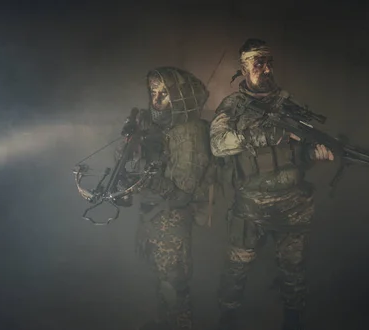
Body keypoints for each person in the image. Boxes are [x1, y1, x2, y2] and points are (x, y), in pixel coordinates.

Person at [209, 38, 334, 330]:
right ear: (243, 68)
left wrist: (313, 153)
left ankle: (293, 321)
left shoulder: (289, 104)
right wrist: (262, 136)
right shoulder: (232, 107)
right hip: (250, 208)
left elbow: (299, 152)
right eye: (257, 63)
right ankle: (226, 320)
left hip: (292, 207)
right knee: (234, 274)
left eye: (268, 62)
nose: (265, 69)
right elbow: (217, 145)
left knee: (293, 275)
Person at [115, 67, 212, 330]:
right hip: (152, 213)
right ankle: (164, 323)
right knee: (159, 276)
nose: (156, 99)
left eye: (165, 93)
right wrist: (130, 146)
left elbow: (182, 191)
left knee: (173, 281)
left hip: (172, 216)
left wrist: (143, 174)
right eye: (153, 92)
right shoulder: (154, 126)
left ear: (179, 96)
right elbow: (126, 166)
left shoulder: (189, 131)